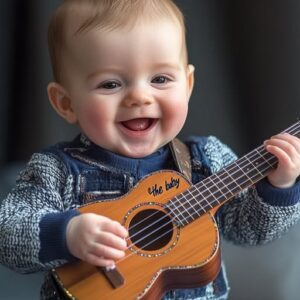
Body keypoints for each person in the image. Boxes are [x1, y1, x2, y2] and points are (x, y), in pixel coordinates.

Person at [1, 0, 300, 299]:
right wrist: (67, 234)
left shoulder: (207, 159)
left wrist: (279, 186)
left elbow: (251, 231)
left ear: (188, 84)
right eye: (110, 84)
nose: (139, 97)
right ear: (66, 103)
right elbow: (8, 234)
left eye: (160, 79)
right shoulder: (57, 169)